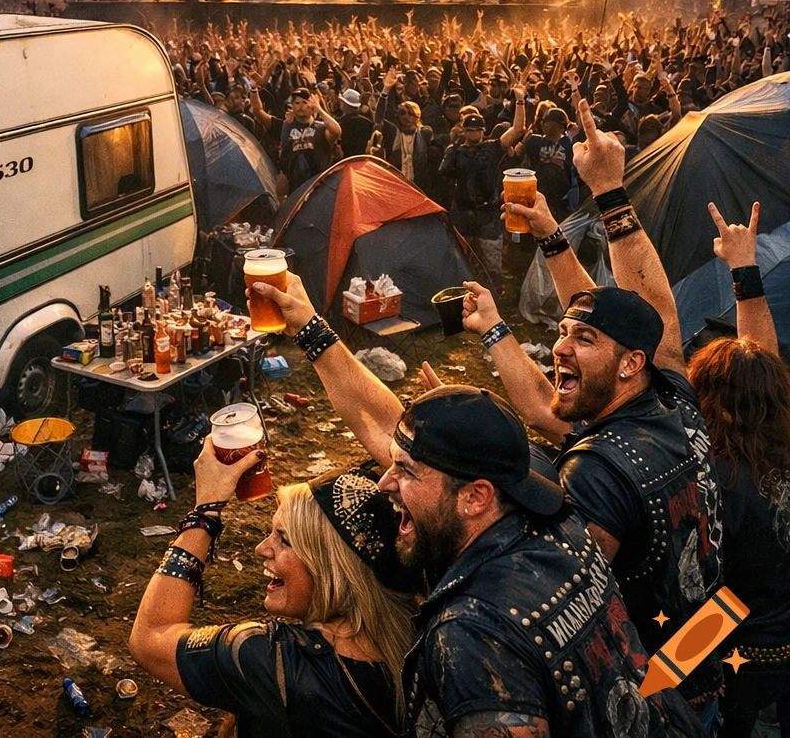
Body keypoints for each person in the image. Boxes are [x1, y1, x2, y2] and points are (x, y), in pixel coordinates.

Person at [241, 272, 708, 737]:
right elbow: (387, 426)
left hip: (693, 677)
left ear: (476, 496)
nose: (383, 481)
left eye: (407, 470)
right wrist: (311, 329)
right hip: (692, 680)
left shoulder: (473, 633)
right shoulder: (560, 509)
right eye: (562, 332)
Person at [481, 98, 726, 731]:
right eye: (560, 334)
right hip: (706, 651)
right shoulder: (673, 393)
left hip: (654, 693)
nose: (559, 346)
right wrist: (599, 202)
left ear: (627, 366)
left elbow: (554, 594)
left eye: (578, 341)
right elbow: (648, 317)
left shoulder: (597, 470)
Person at [128, 439, 418, 738]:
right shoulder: (423, 631)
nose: (261, 548)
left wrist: (205, 512)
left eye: (284, 539)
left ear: (334, 568)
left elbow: (150, 637)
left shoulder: (269, 658)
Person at [688, 202, 790, 738]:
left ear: (712, 401)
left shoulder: (714, 477)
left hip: (733, 648)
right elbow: (760, 361)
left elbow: (708, 593)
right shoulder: (785, 442)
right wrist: (743, 270)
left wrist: (655, 681)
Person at [438, 91, 526, 290]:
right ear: (463, 130)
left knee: (493, 265)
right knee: (460, 259)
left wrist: (519, 99)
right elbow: (443, 175)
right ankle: (461, 294)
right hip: (462, 212)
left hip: (487, 214)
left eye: (478, 129)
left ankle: (495, 295)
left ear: (483, 130)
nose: (474, 133)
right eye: (470, 130)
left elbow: (517, 129)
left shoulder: (492, 149)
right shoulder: (454, 151)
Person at [278, 86, 341, 199]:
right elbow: (284, 162)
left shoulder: (321, 127)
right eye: (297, 103)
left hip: (319, 188)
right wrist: (281, 196)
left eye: (304, 102)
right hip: (296, 190)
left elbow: (337, 131)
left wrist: (319, 109)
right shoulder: (287, 126)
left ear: (311, 106)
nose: (300, 106)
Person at [523, 106, 575, 222]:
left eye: (556, 125)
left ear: (562, 128)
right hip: (537, 194)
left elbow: (572, 173)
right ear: (542, 124)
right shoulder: (533, 141)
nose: (552, 127)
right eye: (549, 123)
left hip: (561, 200)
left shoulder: (568, 145)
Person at [337, 88, 376, 157]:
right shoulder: (368, 123)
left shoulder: (340, 123)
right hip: (362, 160)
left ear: (345, 104)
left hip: (344, 160)